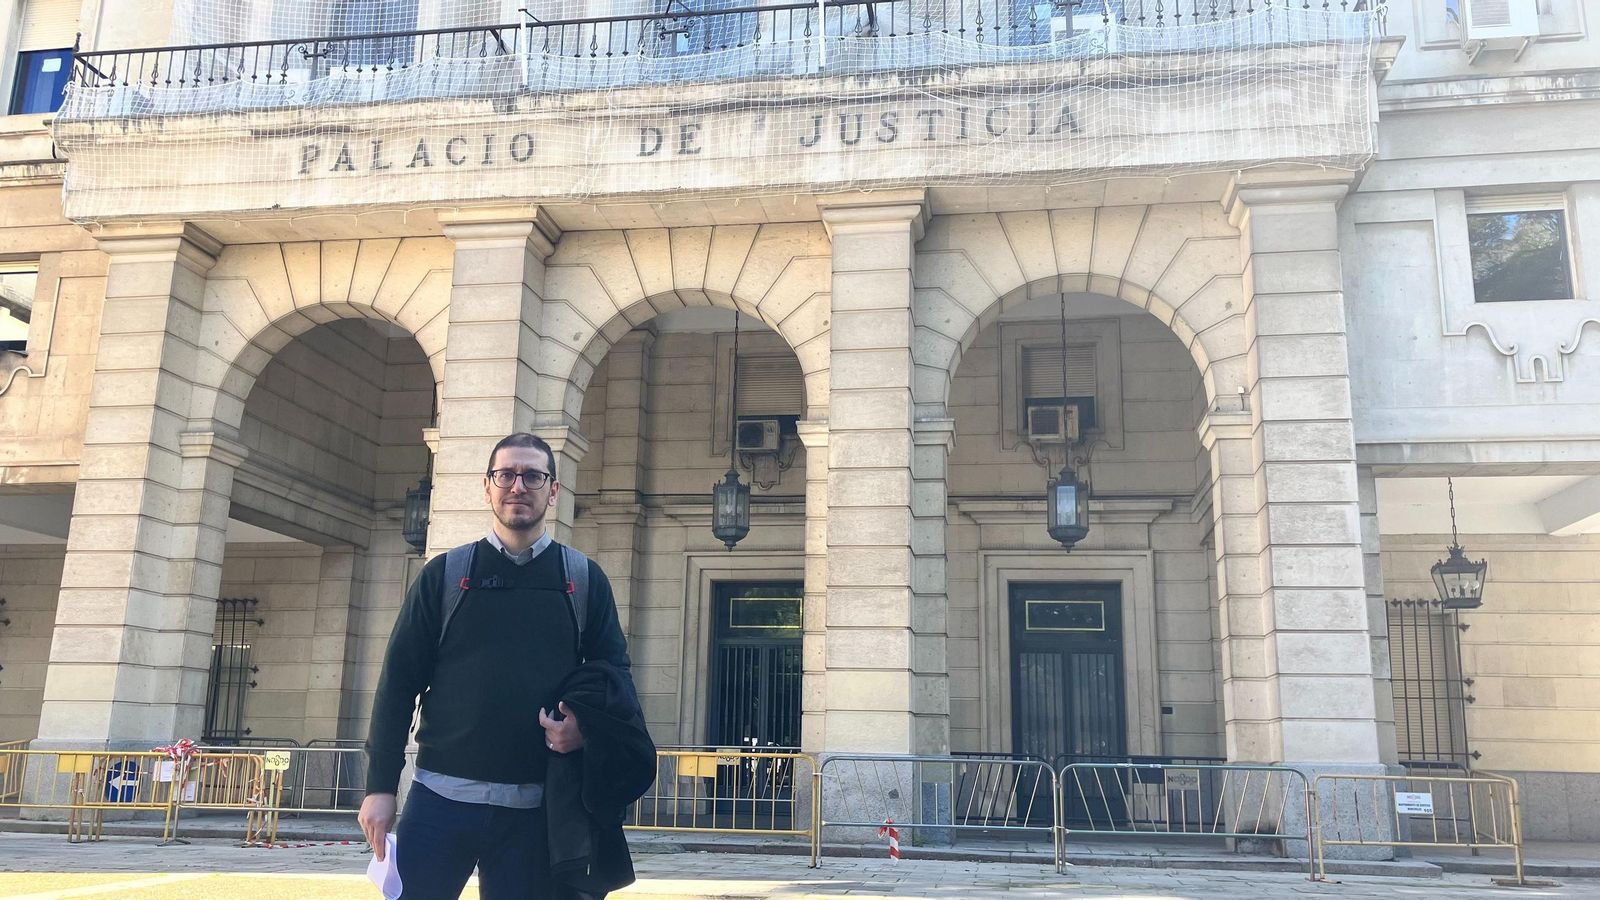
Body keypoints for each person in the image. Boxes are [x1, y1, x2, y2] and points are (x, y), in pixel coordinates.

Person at [360, 432, 636, 899]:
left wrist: (585, 727)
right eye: (505, 474)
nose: (518, 486)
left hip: (535, 809)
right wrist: (380, 787)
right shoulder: (445, 575)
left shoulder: (583, 580)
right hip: (438, 803)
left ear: (553, 490)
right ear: (486, 486)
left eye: (532, 475)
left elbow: (616, 678)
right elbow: (398, 684)